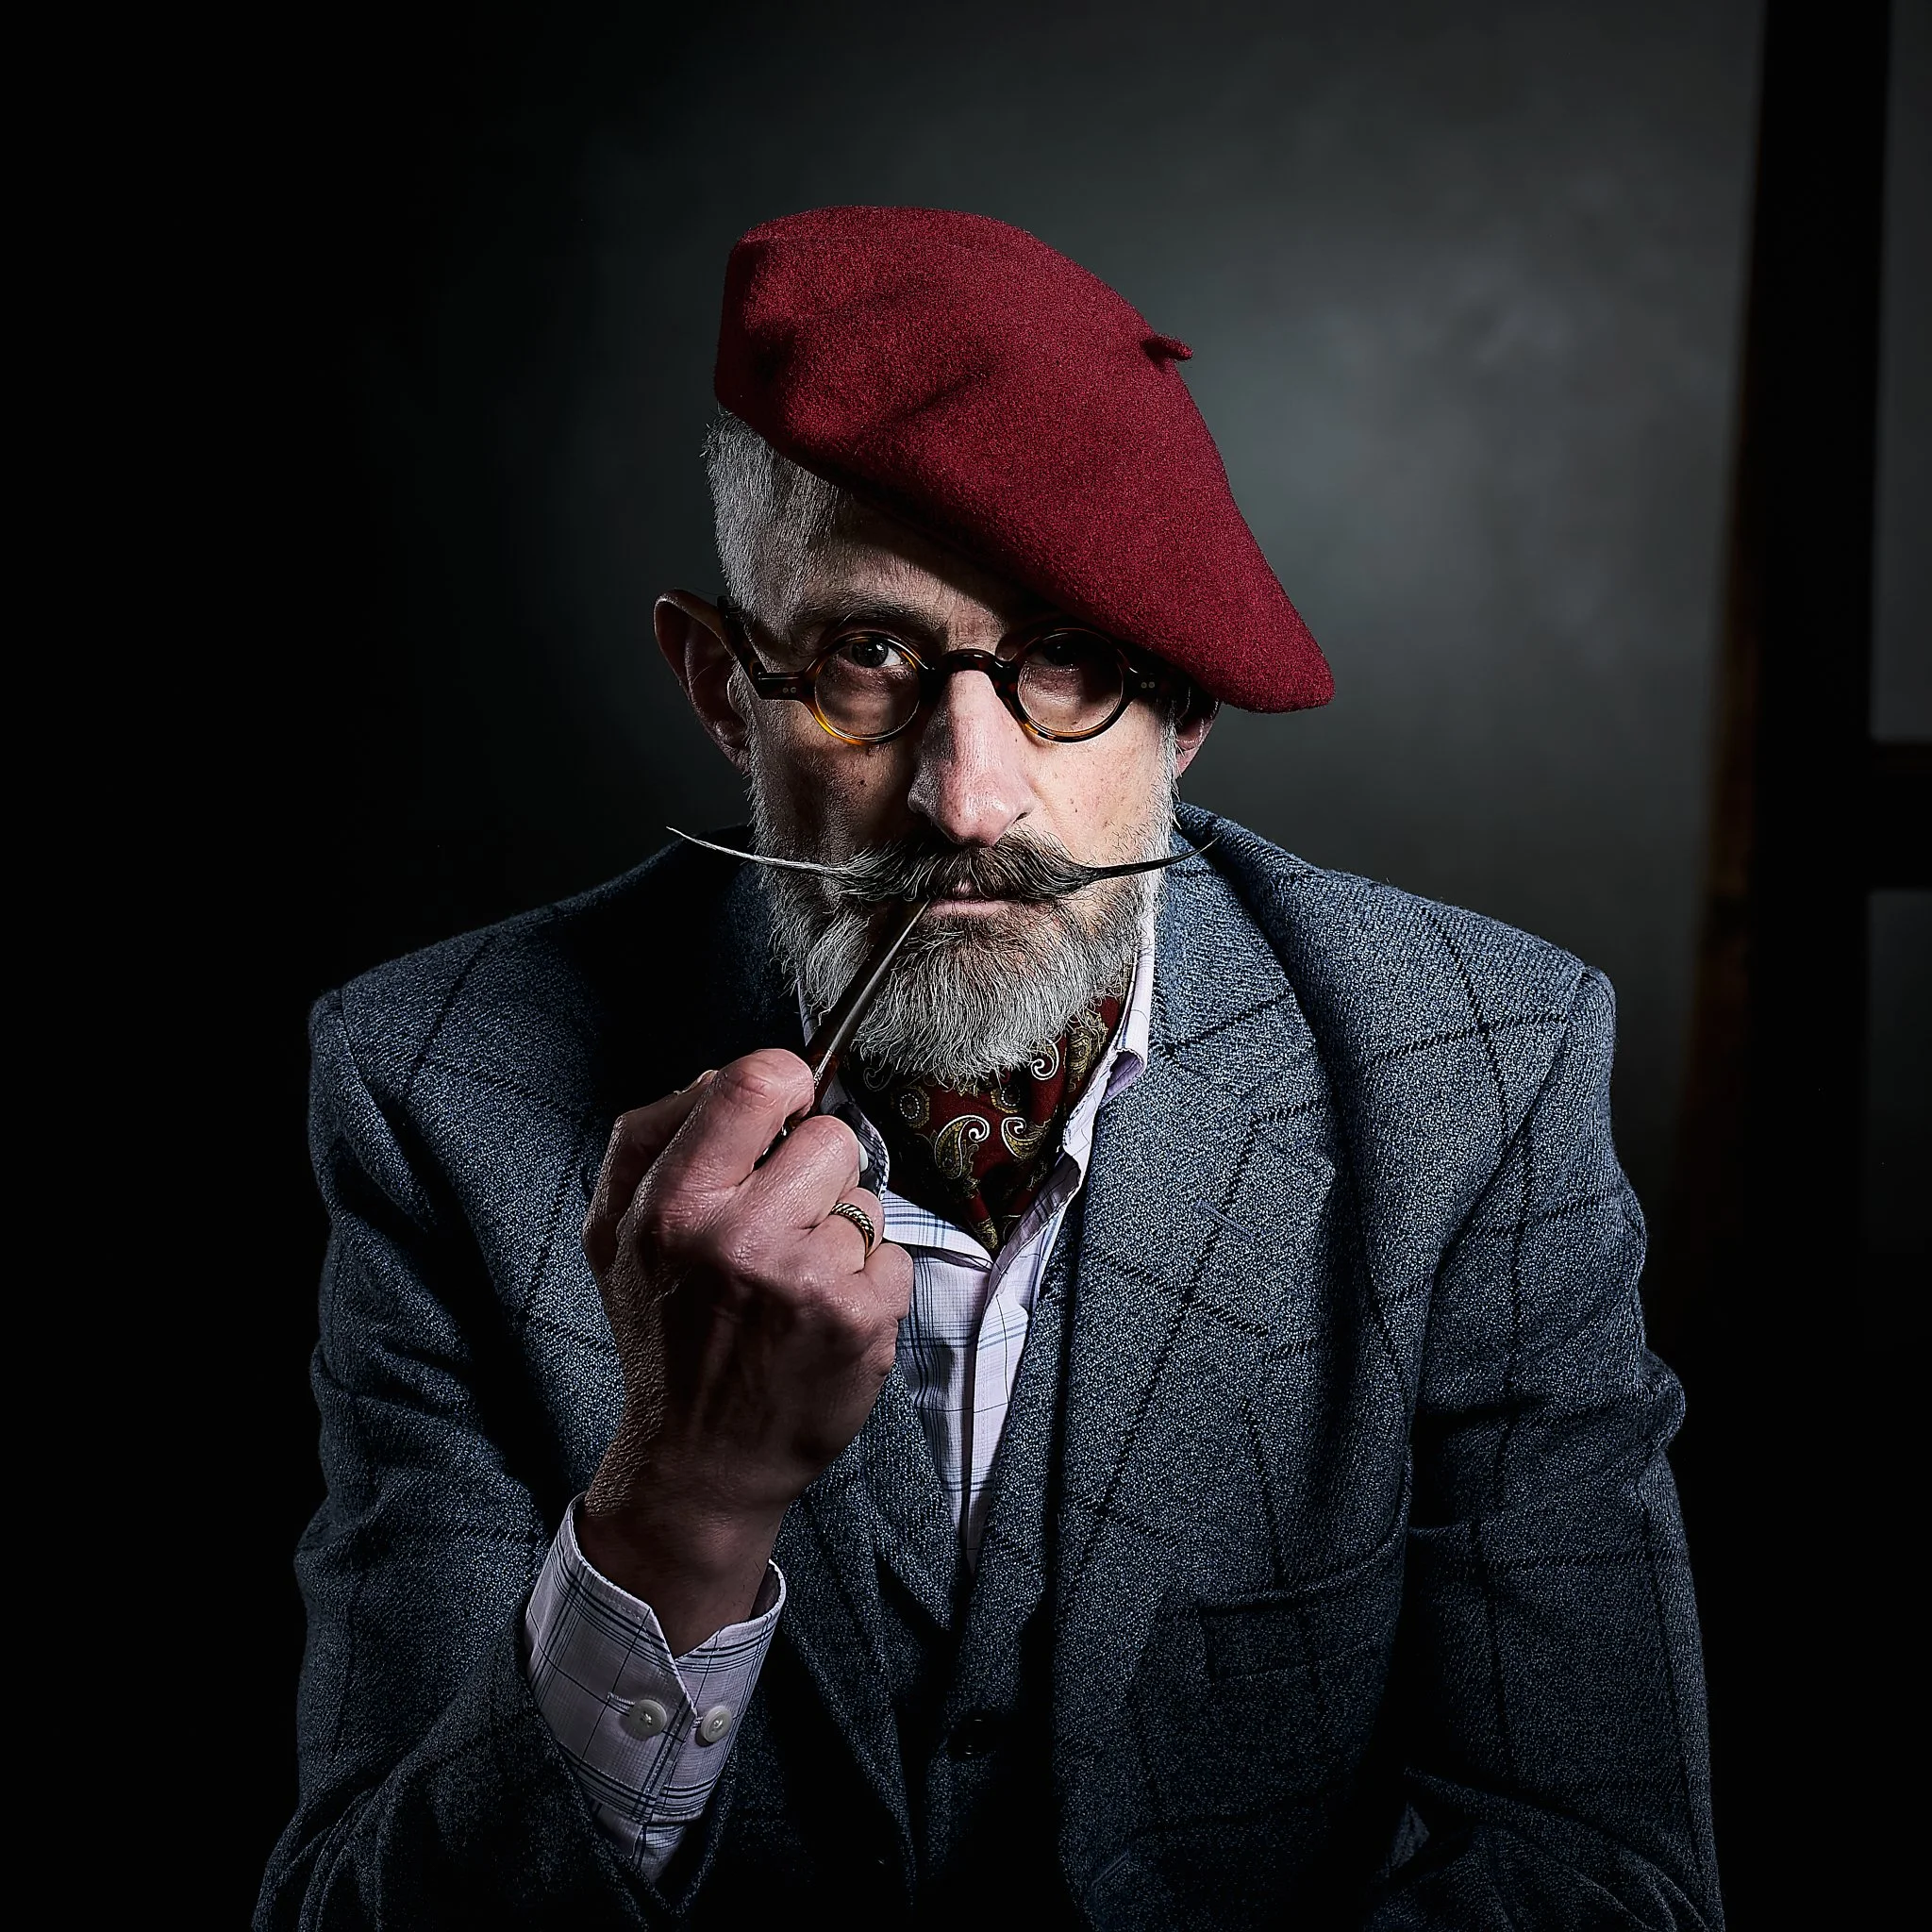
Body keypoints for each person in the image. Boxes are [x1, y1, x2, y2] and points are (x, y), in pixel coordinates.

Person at [258, 207, 1720, 1930]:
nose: (968, 801)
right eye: (868, 656)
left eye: (1068, 660)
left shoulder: (1476, 1077)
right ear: (724, 689)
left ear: (1183, 707)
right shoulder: (436, 1095)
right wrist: (681, 1505)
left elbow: (1600, 1874)